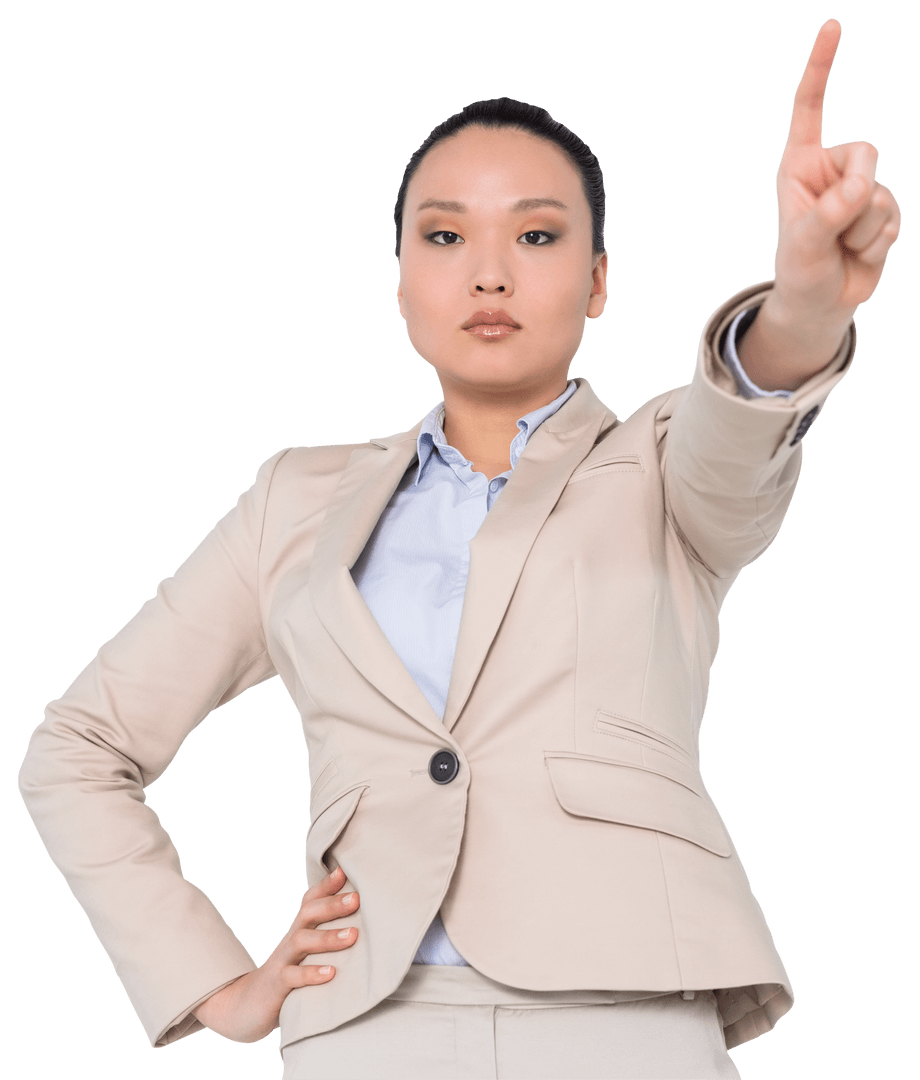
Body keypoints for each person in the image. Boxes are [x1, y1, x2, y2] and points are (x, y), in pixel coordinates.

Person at [17, 17, 900, 1080]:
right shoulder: (295, 499)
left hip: (625, 1011)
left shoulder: (660, 465)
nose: (488, 274)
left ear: (599, 280)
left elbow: (742, 421)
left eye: (536, 237)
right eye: (443, 238)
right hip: (365, 1027)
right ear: (398, 282)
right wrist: (217, 986)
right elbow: (76, 750)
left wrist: (802, 303)